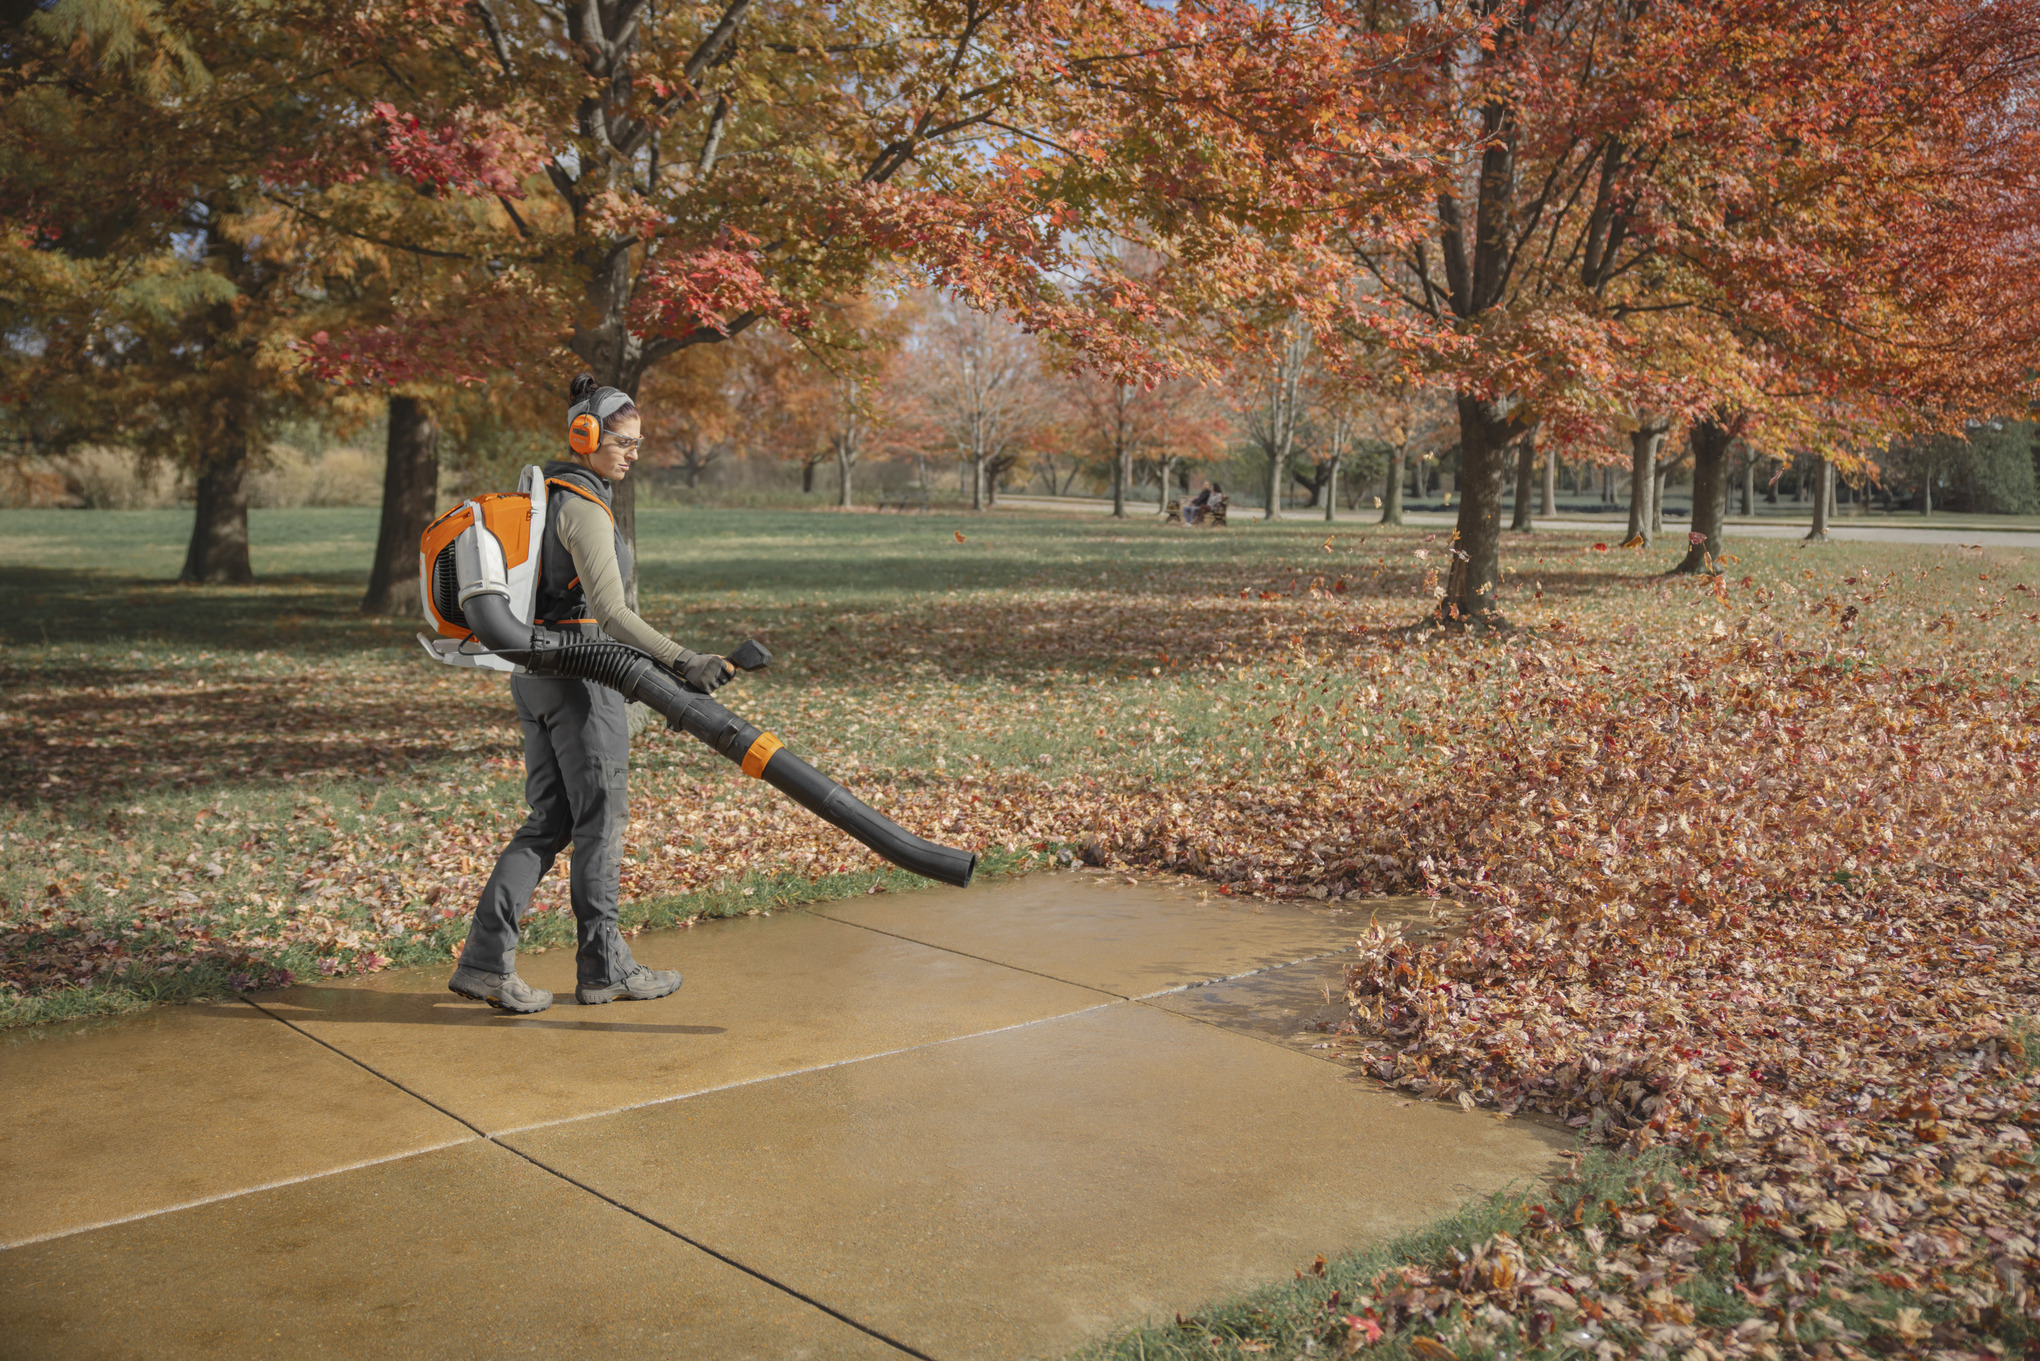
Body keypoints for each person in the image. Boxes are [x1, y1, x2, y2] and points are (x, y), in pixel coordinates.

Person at [447, 373, 738, 1015]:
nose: (635, 453)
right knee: (600, 824)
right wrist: (685, 660)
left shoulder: (545, 496)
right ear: (586, 436)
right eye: (625, 442)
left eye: (638, 443)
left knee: (548, 823)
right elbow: (611, 614)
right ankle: (604, 968)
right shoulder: (583, 504)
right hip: (581, 684)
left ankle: (485, 964)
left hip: (535, 678)